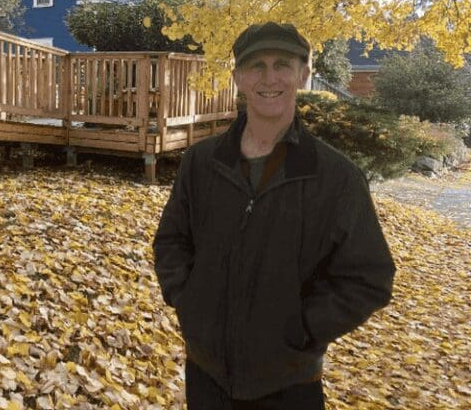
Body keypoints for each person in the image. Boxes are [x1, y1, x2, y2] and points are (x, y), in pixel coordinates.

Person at [153, 22, 395, 409]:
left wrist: (301, 330)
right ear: (238, 78)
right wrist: (190, 303)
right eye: (256, 66)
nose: (270, 78)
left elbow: (370, 278)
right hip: (206, 375)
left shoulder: (335, 178)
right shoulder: (201, 162)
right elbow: (172, 241)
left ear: (303, 74)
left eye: (282, 64)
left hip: (289, 382)